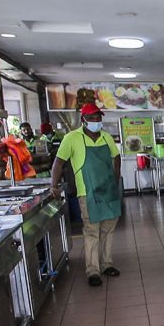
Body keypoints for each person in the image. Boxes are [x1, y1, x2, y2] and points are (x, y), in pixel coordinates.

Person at [50, 103, 122, 286]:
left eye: (99, 118)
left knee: (108, 230)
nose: (96, 121)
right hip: (87, 193)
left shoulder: (106, 137)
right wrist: (54, 185)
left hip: (109, 192)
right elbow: (58, 163)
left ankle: (106, 264)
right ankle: (93, 271)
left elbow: (116, 157)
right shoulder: (72, 138)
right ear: (83, 120)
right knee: (92, 231)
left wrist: (116, 179)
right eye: (92, 118)